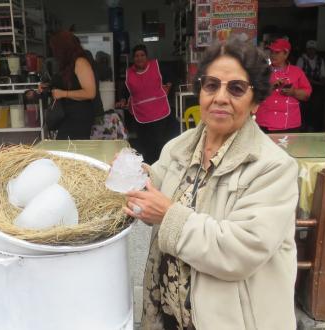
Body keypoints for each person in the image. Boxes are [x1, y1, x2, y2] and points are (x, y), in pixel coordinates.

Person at [124, 37, 299, 329]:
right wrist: (131, 177)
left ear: (256, 101)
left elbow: (240, 250)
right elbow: (154, 187)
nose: (220, 97)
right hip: (170, 316)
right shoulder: (178, 148)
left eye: (236, 88)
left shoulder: (273, 168)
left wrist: (168, 216)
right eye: (211, 85)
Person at [120, 44, 172, 164]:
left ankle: (163, 165)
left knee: (160, 142)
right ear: (133, 59)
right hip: (141, 115)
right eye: (137, 56)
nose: (139, 58)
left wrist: (168, 87)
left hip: (160, 112)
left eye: (142, 55)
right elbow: (125, 90)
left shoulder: (157, 66)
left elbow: (171, 77)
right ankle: (148, 167)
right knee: (145, 144)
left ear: (147, 56)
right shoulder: (129, 73)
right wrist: (123, 99)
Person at [47, 30, 101, 140]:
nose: (54, 52)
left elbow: (90, 93)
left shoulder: (80, 62)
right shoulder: (68, 64)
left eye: (55, 48)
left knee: (69, 149)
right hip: (67, 115)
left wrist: (64, 94)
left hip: (79, 116)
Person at [255, 38, 312, 133]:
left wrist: (293, 92)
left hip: (290, 124)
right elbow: (253, 93)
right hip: (265, 122)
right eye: (271, 52)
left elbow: (307, 95)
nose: (272, 55)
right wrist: (270, 87)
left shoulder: (297, 72)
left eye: (277, 52)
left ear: (286, 54)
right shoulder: (263, 70)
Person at [296, 40, 325, 132]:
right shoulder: (301, 59)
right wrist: (314, 82)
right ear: (307, 50)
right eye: (309, 49)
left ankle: (312, 126)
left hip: (316, 88)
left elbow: (323, 74)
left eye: (313, 49)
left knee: (316, 108)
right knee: (304, 107)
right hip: (303, 87)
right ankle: (302, 125)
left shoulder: (320, 60)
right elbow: (299, 75)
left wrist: (323, 80)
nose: (311, 51)